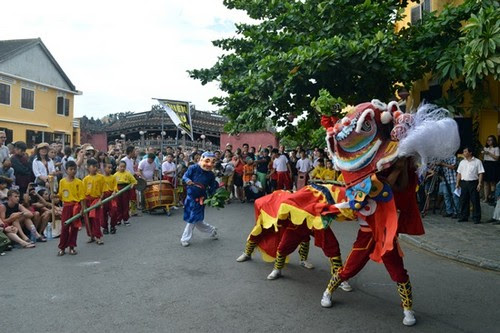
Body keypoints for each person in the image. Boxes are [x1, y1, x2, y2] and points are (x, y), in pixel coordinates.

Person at [180, 152, 219, 247]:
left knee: (193, 218)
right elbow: (185, 176)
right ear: (201, 159)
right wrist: (187, 180)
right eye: (207, 161)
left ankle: (185, 238)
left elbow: (212, 187)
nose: (209, 164)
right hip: (190, 197)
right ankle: (211, 230)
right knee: (196, 220)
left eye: (212, 162)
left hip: (200, 199)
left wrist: (214, 197)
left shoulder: (211, 175)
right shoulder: (193, 168)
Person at [57, 161, 85, 256]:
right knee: (65, 227)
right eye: (71, 169)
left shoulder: (79, 182)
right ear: (66, 170)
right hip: (66, 206)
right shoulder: (62, 181)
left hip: (75, 206)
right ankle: (62, 247)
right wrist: (54, 197)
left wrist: (82, 209)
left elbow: (82, 197)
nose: (73, 171)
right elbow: (60, 195)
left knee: (74, 228)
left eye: (74, 169)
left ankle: (72, 247)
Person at [456, 146, 485, 224]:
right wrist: (457, 183)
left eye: (465, 151)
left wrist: (479, 183)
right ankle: (464, 216)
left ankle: (476, 218)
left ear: (470, 152)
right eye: (464, 151)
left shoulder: (477, 161)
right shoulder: (462, 162)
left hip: (473, 182)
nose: (464, 153)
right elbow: (459, 173)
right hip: (464, 183)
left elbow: (480, 173)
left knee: (475, 200)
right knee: (463, 200)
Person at [82, 159, 105, 244]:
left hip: (96, 200)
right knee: (88, 219)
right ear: (88, 168)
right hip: (87, 200)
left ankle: (98, 236)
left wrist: (100, 200)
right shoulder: (85, 179)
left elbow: (103, 191)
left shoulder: (101, 177)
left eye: (96, 166)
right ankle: (91, 235)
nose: (95, 168)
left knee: (96, 219)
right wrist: (83, 205)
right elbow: (83, 194)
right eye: (93, 167)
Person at [114, 160, 137, 226]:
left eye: (124, 167)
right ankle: (118, 219)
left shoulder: (128, 174)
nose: (122, 168)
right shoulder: (115, 175)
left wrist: (132, 185)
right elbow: (113, 184)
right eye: (121, 166)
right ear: (118, 167)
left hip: (126, 190)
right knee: (118, 205)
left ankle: (125, 219)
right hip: (118, 190)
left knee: (125, 205)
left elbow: (134, 181)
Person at [481, 135, 499, 204]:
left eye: (490, 140)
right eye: (488, 140)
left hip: (493, 165)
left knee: (492, 182)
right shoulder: (485, 148)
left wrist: (488, 153)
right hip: (486, 164)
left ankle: (492, 198)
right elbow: (483, 157)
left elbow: (497, 158)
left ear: (493, 141)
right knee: (485, 182)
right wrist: (483, 153)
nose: (488, 141)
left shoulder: (496, 148)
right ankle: (486, 198)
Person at [101, 163, 118, 235]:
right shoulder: (101, 178)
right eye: (108, 168)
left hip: (111, 196)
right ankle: (105, 227)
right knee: (103, 212)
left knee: (114, 210)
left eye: (111, 168)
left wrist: (114, 191)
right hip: (103, 196)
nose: (110, 169)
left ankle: (113, 226)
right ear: (104, 168)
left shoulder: (113, 177)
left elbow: (115, 186)